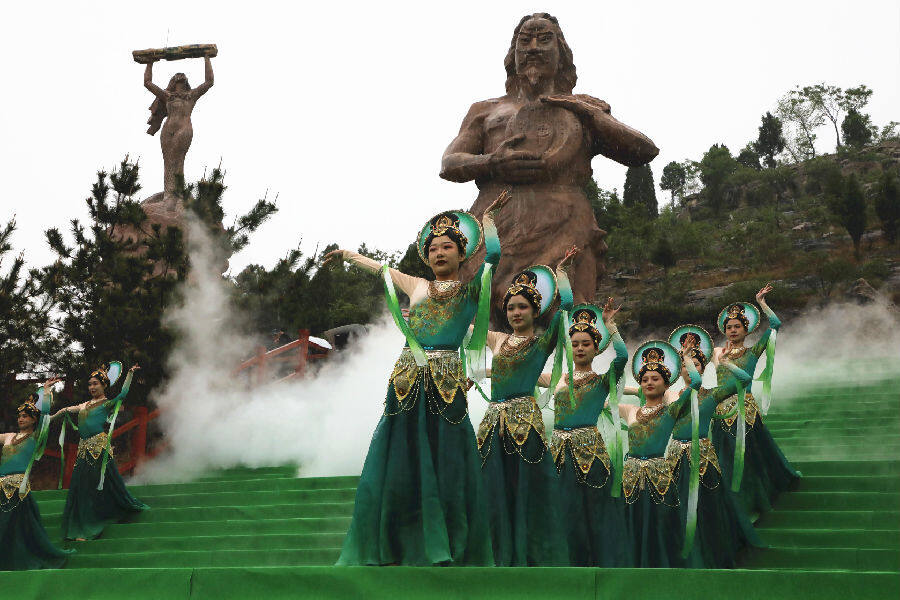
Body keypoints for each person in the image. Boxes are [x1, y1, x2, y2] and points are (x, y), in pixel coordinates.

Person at [326, 192, 511, 566]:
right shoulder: (416, 285)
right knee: (401, 456)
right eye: (433, 248)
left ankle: (448, 541)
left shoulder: (472, 290)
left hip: (447, 382)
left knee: (448, 458)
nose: (439, 253)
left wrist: (488, 223)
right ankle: (397, 541)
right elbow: (379, 269)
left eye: (447, 247)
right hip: (407, 380)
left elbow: (493, 257)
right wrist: (347, 254)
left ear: (462, 253)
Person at [475, 250, 575, 565]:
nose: (516, 313)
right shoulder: (496, 340)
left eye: (522, 307)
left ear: (535, 311)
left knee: (527, 488)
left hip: (525, 424)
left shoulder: (543, 343)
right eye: (511, 307)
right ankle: (494, 554)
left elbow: (567, 307)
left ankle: (532, 554)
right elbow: (465, 327)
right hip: (492, 424)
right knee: (492, 488)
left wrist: (561, 274)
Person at [664, 325, 764, 568]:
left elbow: (745, 380)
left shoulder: (713, 394)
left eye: (695, 364)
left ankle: (711, 550)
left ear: (703, 368)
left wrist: (727, 363)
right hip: (675, 458)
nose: (690, 369)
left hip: (703, 458)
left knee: (707, 507)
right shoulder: (669, 395)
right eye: (685, 366)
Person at [543, 298, 631, 567]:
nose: (579, 348)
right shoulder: (558, 378)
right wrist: (478, 372)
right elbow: (519, 373)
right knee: (561, 509)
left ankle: (601, 564)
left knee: (596, 510)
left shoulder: (603, 381)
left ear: (596, 348)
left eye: (586, 344)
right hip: (558, 453)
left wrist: (610, 325)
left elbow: (623, 357)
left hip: (590, 453)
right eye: (575, 344)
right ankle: (562, 564)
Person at [710, 285, 800, 515]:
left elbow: (776, 326)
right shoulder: (717, 353)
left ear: (746, 329)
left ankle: (755, 497)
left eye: (737, 326)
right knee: (724, 458)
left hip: (745, 411)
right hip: (720, 413)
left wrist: (762, 303)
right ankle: (728, 501)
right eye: (729, 327)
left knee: (749, 456)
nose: (732, 330)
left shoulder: (753, 351)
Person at [619, 340, 700, 567]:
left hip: (659, 475)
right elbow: (604, 401)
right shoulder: (630, 410)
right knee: (632, 521)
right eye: (645, 379)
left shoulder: (670, 410)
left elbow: (696, 382)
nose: (649, 382)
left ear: (666, 384)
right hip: (631, 476)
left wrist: (686, 358)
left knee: (660, 523)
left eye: (655, 379)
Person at [52, 364, 148, 541]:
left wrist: (129, 374)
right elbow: (65, 410)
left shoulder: (106, 404)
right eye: (90, 384)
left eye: (95, 383)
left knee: (95, 485)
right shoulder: (84, 405)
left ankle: (91, 525)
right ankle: (80, 525)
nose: (92, 387)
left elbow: (123, 394)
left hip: (98, 449)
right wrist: (49, 418)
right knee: (81, 487)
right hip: (83, 450)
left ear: (104, 385)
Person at [1, 380, 72, 569]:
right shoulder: (8, 436)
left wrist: (46, 391)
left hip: (19, 488)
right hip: (1, 486)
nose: (21, 419)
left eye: (25, 416)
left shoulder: (36, 436)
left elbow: (46, 415)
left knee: (15, 527)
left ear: (34, 419)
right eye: (19, 416)